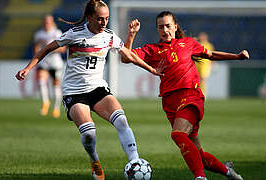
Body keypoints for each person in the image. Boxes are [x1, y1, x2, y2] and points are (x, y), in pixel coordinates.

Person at [15, 1, 161, 180]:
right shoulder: (74, 34)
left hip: (97, 88)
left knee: (121, 120)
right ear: (90, 17)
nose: (104, 23)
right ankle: (94, 160)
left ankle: (135, 162)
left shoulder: (109, 36)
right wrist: (27, 69)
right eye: (100, 19)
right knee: (89, 134)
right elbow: (46, 49)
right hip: (74, 93)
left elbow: (128, 55)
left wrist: (152, 70)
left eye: (106, 19)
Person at [124, 11, 249, 180]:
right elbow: (126, 57)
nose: (165, 30)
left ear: (175, 27)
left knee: (177, 134)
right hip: (169, 103)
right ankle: (229, 172)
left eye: (168, 26)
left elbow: (210, 55)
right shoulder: (153, 50)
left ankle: (200, 178)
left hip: (190, 96)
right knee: (198, 155)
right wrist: (131, 35)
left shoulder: (188, 43)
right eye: (161, 27)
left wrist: (237, 56)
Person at [34, 14, 65, 118]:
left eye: (49, 21)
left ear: (52, 22)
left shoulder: (57, 33)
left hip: (55, 63)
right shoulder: (39, 34)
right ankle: (45, 102)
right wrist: (38, 53)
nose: (47, 23)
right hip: (44, 62)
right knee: (41, 82)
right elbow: (36, 47)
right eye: (45, 21)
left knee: (56, 86)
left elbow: (63, 49)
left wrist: (49, 48)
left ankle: (56, 108)